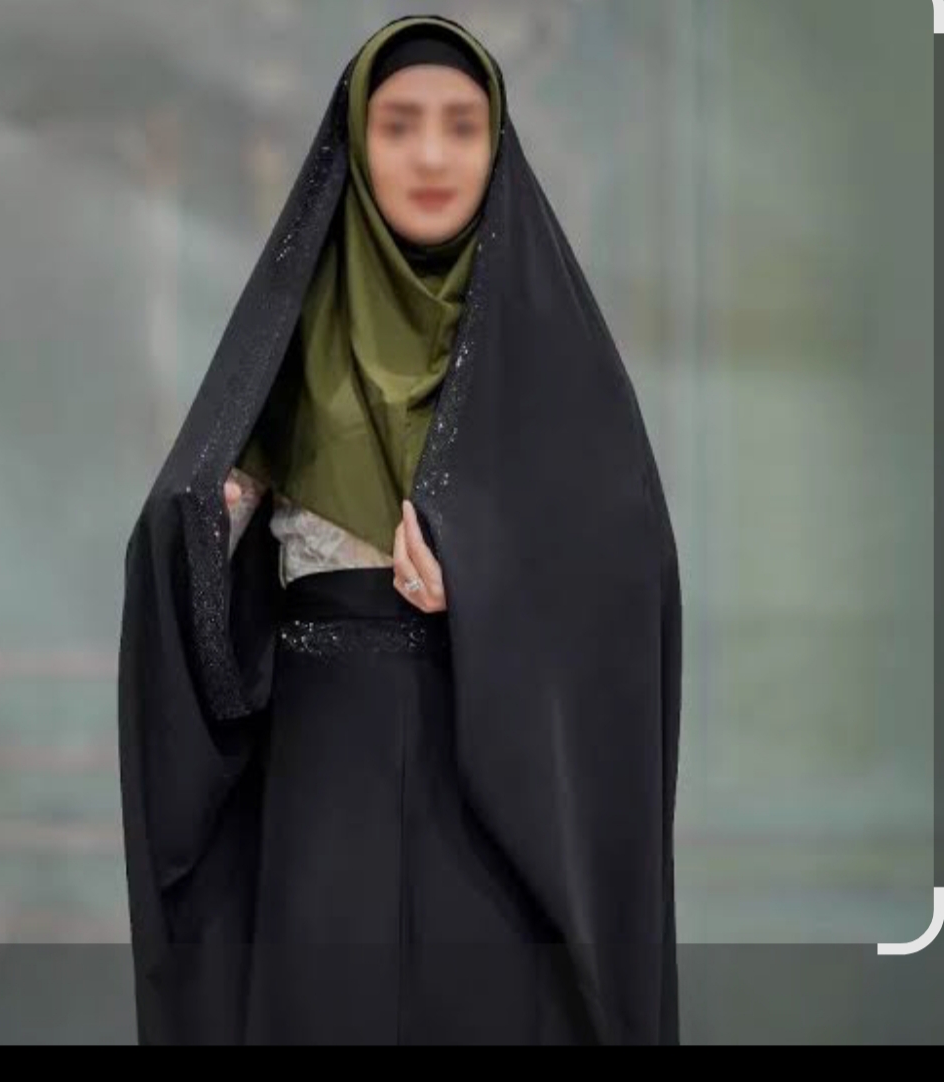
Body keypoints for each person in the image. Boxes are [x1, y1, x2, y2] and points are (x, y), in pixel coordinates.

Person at [118, 13, 682, 1047]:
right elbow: (191, 547)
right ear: (355, 142)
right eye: (398, 125)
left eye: (461, 126)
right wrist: (212, 521)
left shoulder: (546, 346)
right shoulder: (288, 339)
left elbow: (625, 575)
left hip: (491, 784)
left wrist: (489, 582)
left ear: (495, 144)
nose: (430, 155)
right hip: (323, 768)